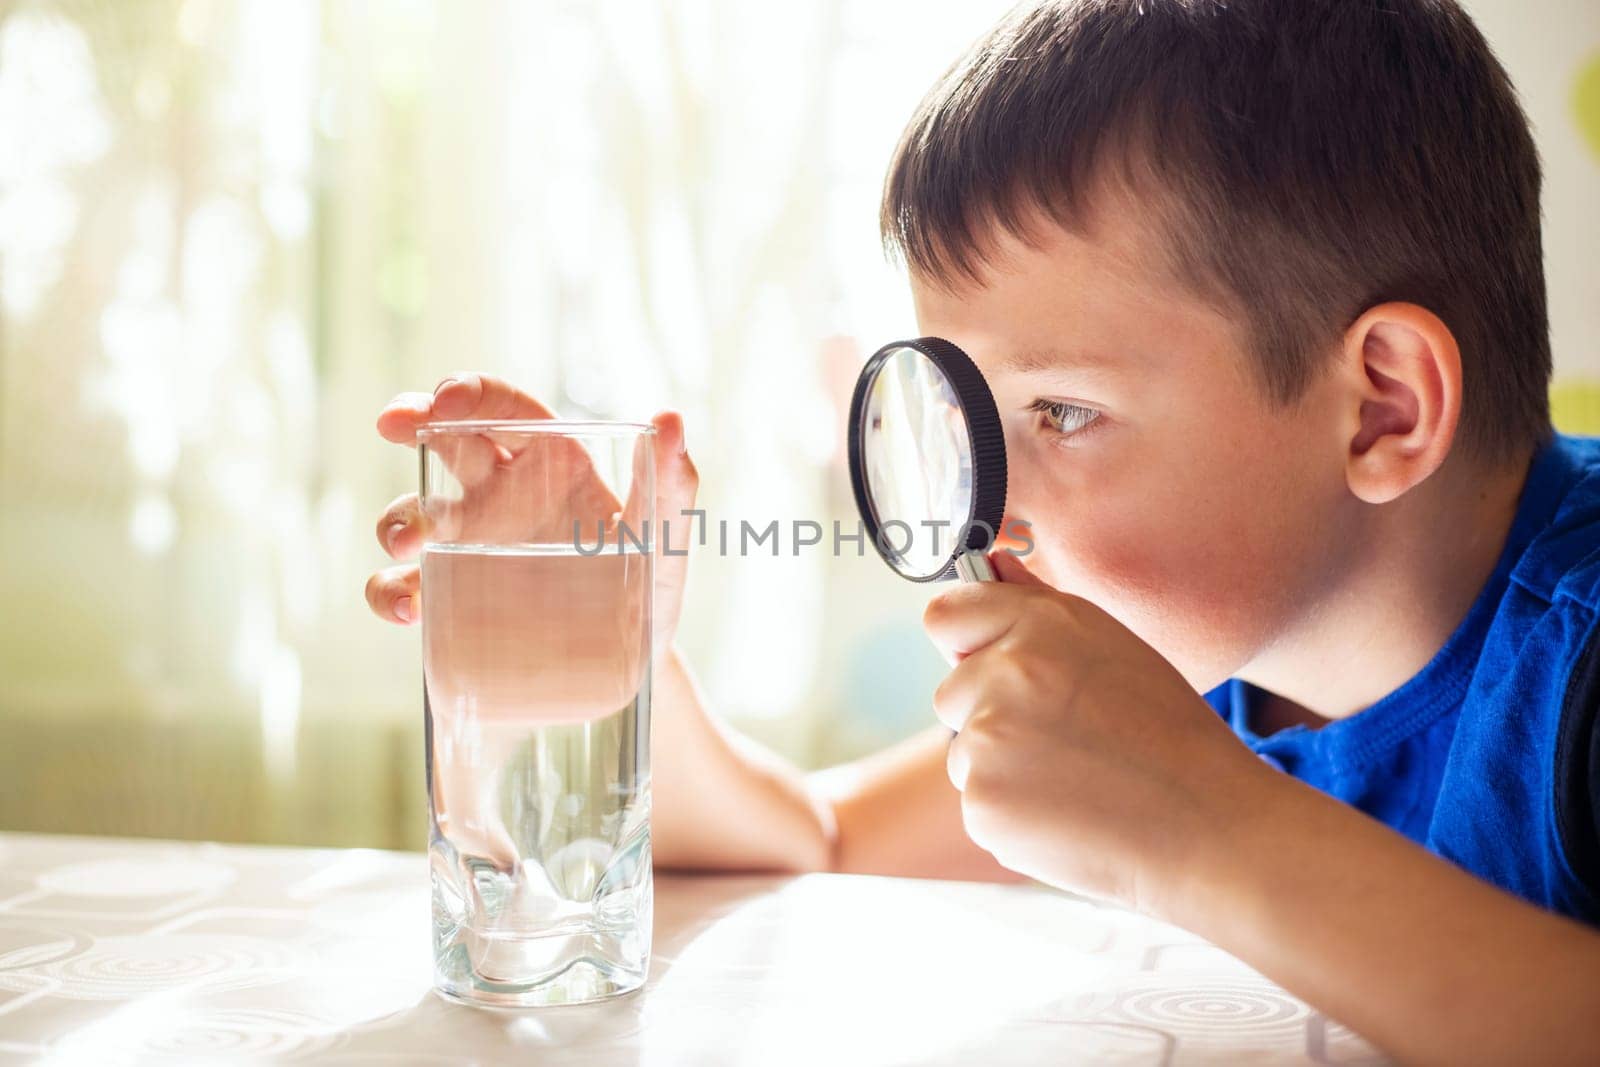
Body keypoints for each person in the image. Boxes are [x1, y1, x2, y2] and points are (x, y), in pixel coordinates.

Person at [366, 0, 1600, 1059]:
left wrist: (1200, 822)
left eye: (1060, 410)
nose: (983, 513)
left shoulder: (1575, 653)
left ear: (1381, 405)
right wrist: (621, 670)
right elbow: (817, 835)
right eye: (967, 423)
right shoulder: (1218, 652)